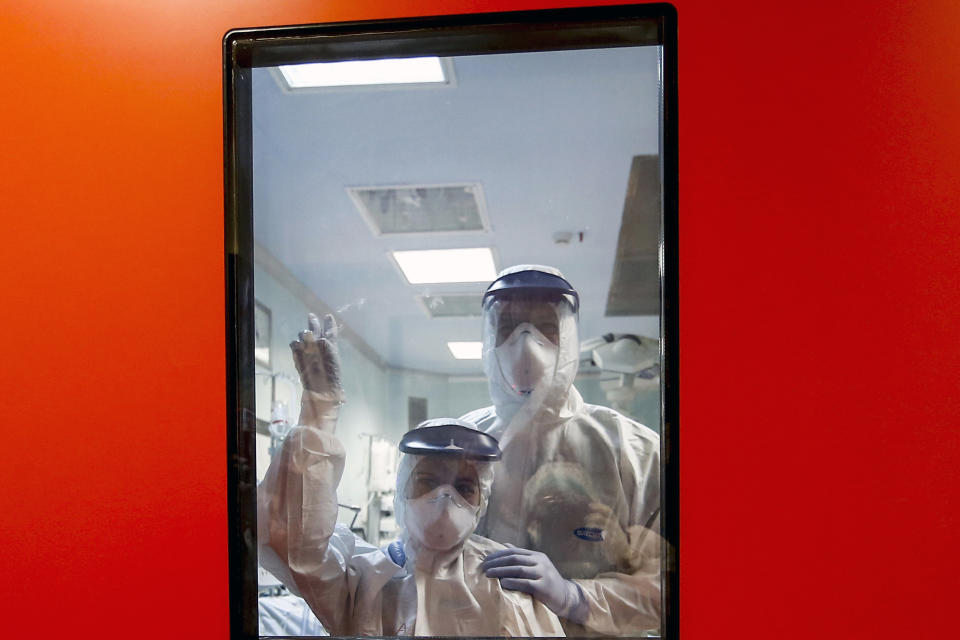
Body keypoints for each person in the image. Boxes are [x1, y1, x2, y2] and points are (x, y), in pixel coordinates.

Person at [257, 313, 565, 637]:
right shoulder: (369, 577)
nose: (445, 499)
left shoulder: (505, 581)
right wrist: (320, 411)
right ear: (403, 489)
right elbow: (293, 541)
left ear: (482, 499)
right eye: (429, 481)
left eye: (463, 486)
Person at [463, 265, 662, 636]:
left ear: (569, 338)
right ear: (489, 338)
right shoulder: (462, 443)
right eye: (508, 327)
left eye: (546, 327)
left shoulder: (634, 451)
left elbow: (670, 590)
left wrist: (575, 598)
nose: (525, 342)